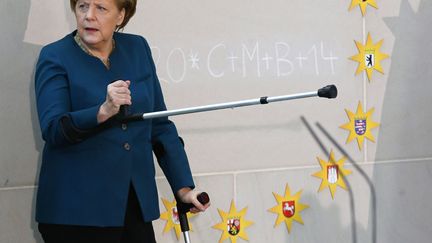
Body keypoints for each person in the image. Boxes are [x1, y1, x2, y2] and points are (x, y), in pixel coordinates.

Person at [34, 0, 209, 242]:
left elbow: (159, 125)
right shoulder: (54, 56)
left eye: (101, 8)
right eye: (82, 6)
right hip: (75, 214)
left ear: (121, 15)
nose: (89, 16)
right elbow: (53, 128)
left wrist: (184, 188)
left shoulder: (138, 48)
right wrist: (102, 111)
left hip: (134, 208)